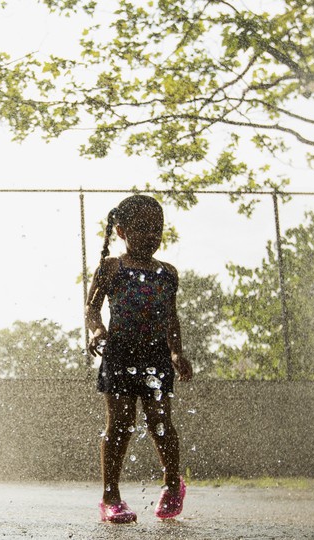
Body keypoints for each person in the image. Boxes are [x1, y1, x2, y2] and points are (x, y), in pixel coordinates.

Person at [84, 194, 194, 523]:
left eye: (157, 229)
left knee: (160, 422)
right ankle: (110, 496)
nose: (151, 235)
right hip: (119, 352)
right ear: (121, 230)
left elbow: (170, 318)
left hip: (155, 355)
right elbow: (91, 308)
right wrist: (96, 331)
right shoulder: (111, 267)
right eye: (142, 228)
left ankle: (173, 483)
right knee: (120, 424)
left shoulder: (167, 273)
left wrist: (176, 351)